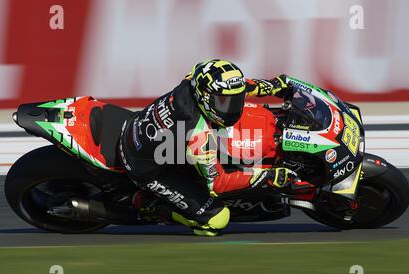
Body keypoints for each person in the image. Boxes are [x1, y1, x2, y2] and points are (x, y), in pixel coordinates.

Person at [119, 59, 295, 236]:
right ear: (205, 97)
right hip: (147, 168)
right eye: (223, 102)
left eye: (235, 101)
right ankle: (150, 206)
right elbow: (218, 183)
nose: (232, 108)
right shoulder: (198, 132)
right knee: (217, 219)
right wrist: (267, 176)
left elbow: (238, 87)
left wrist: (271, 86)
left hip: (143, 130)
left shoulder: (193, 80)